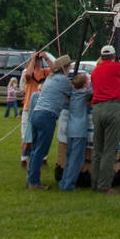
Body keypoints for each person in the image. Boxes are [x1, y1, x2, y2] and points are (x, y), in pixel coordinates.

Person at [27, 56, 73, 190]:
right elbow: (73, 94)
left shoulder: (50, 78)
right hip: (47, 116)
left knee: (35, 150)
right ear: (64, 68)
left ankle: (31, 178)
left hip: (36, 114)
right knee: (41, 150)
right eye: (69, 67)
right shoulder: (63, 80)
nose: (70, 70)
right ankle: (34, 182)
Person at [90, 44, 120, 195]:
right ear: (113, 56)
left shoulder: (95, 71)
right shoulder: (117, 67)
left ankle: (94, 183)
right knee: (109, 149)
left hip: (97, 109)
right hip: (113, 107)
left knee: (97, 149)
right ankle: (104, 185)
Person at [59, 73, 92, 191]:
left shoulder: (72, 94)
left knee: (69, 158)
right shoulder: (85, 93)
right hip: (80, 130)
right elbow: (94, 89)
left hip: (70, 130)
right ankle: (69, 185)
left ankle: (63, 182)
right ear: (84, 84)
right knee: (76, 159)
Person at [21, 51, 51, 167]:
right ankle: (23, 158)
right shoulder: (27, 72)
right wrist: (33, 59)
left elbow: (56, 71)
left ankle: (42, 158)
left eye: (39, 60)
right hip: (28, 107)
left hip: (42, 107)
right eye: (37, 60)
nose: (38, 62)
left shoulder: (45, 72)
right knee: (26, 135)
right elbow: (28, 75)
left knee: (41, 135)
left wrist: (46, 58)